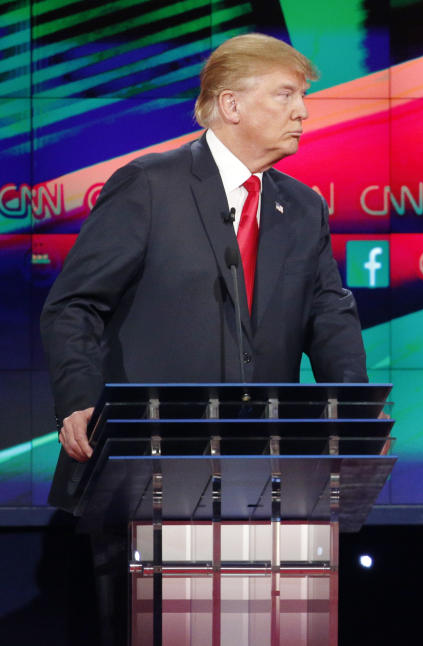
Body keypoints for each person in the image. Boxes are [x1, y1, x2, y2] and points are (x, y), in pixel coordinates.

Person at [42, 33, 367, 467]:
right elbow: (73, 306)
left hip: (263, 462)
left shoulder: (304, 208)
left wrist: (356, 414)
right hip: (145, 454)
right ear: (231, 105)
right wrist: (81, 400)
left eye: (302, 96)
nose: (302, 111)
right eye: (285, 95)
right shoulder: (149, 186)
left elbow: (329, 318)